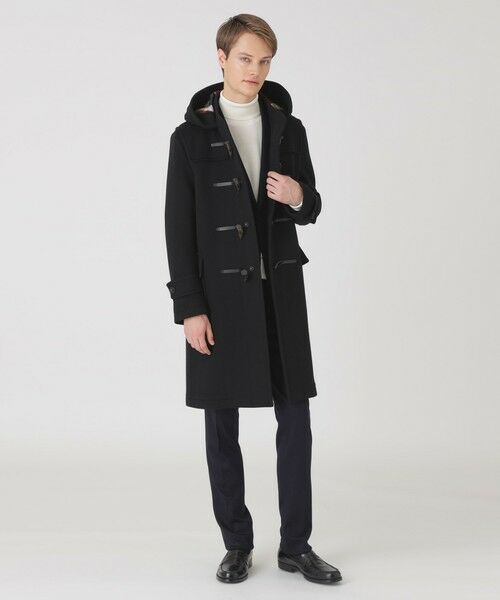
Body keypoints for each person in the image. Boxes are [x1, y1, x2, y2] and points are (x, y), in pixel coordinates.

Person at [164, 13, 342, 585]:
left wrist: (297, 195)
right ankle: (237, 544)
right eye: (245, 58)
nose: (256, 70)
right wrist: (190, 308)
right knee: (222, 424)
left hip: (280, 292)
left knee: (296, 418)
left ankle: (297, 546)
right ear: (221, 57)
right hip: (217, 299)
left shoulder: (290, 128)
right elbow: (178, 229)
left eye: (265, 61)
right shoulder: (189, 138)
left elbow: (311, 207)